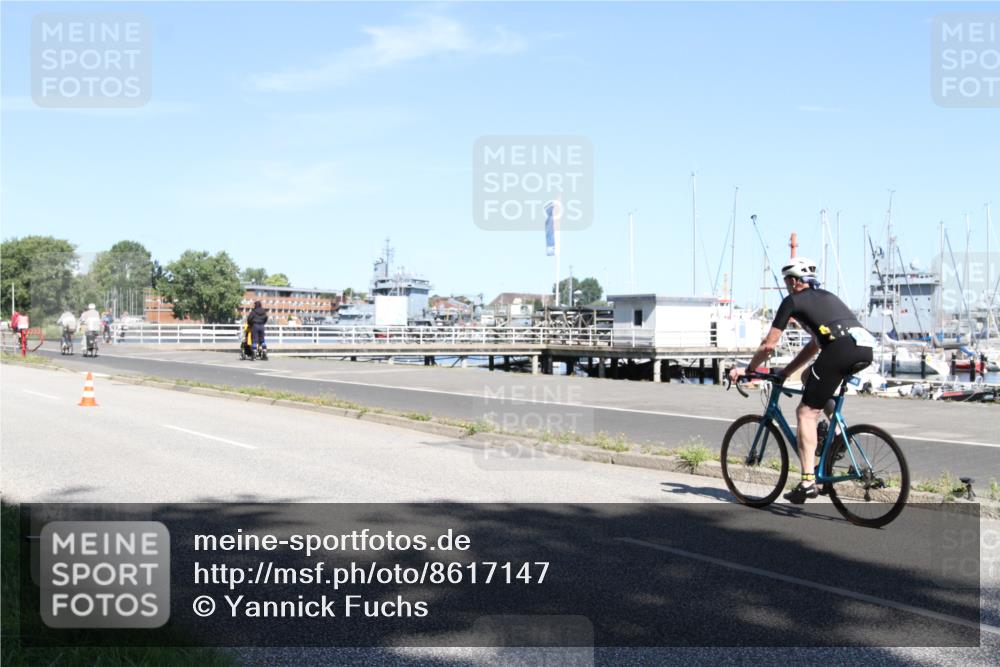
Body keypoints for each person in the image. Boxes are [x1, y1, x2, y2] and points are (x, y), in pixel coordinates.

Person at [728, 257, 874, 503]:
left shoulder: (792, 301)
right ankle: (838, 434)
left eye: (787, 281)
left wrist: (748, 369)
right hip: (864, 347)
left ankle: (808, 481)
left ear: (794, 281)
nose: (786, 286)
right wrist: (786, 372)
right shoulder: (827, 297)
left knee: (806, 413)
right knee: (808, 376)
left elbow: (768, 345)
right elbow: (815, 346)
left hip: (839, 350)